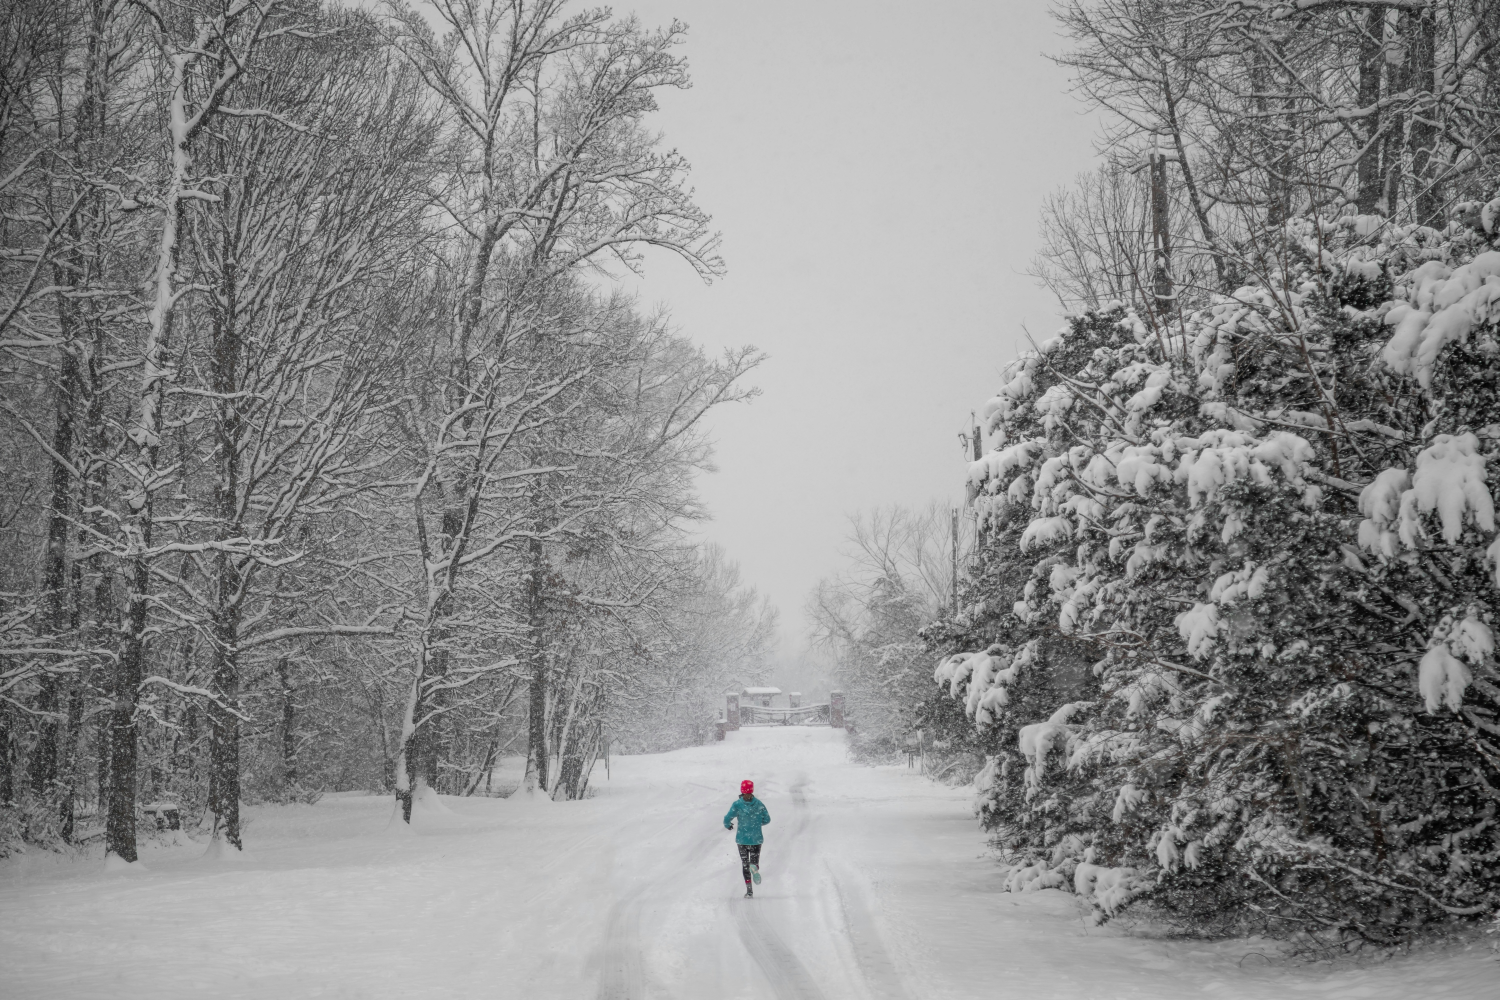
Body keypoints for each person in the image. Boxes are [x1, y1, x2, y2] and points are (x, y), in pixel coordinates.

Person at [723, 779, 770, 898]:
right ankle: (755, 867)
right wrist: (758, 823)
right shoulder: (759, 804)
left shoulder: (737, 804)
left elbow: (727, 818)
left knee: (745, 864)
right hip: (756, 839)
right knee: (754, 862)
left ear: (742, 790)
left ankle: (749, 891)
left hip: (742, 839)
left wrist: (728, 825)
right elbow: (767, 819)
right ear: (752, 790)